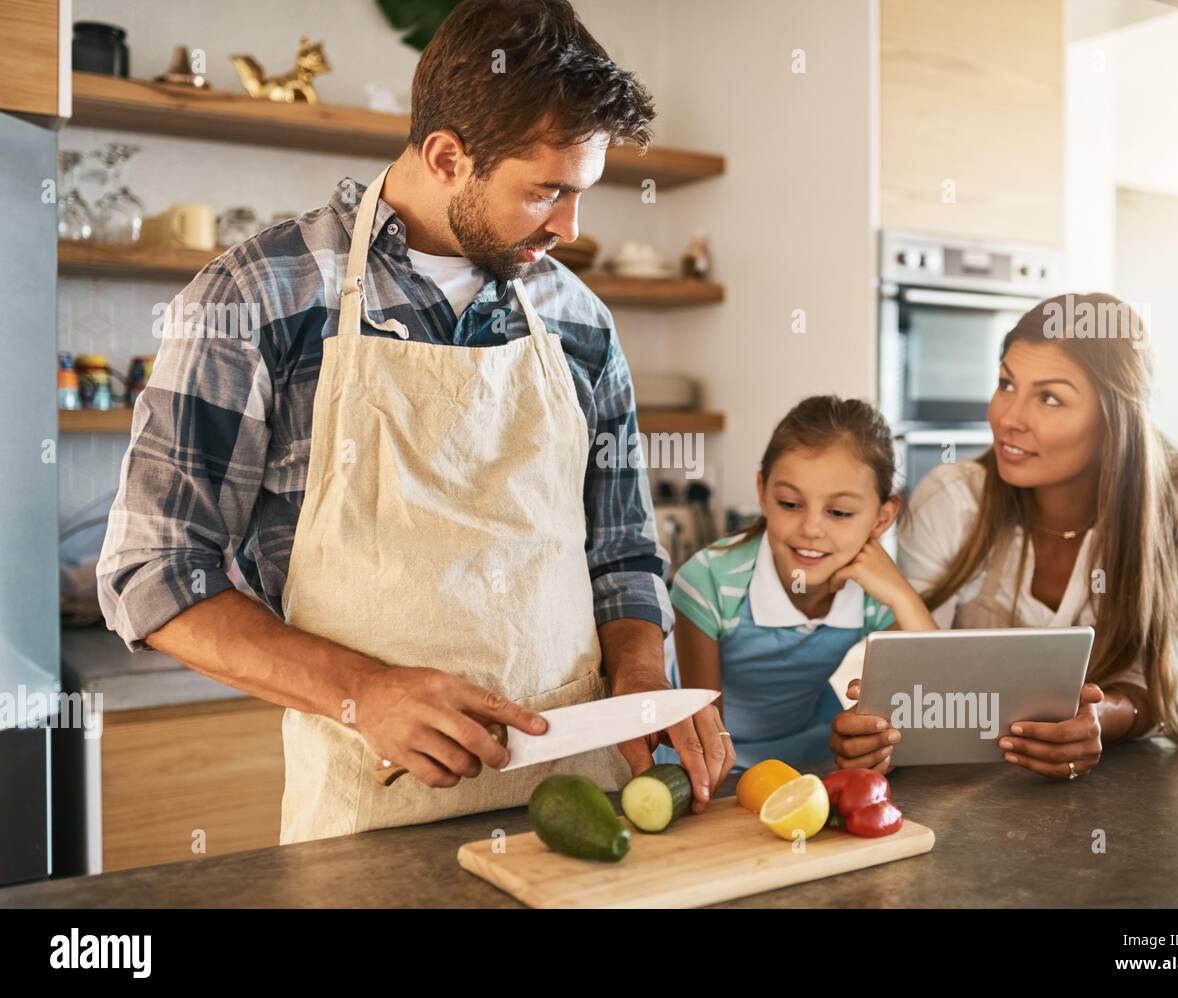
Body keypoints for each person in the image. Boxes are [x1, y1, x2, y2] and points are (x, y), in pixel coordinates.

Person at [97, 0, 728, 844]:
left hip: (582, 806)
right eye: (546, 191)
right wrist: (365, 691)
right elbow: (152, 569)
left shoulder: (580, 324)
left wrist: (644, 674)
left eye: (581, 193)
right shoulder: (260, 296)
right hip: (371, 810)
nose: (572, 229)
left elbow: (621, 553)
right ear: (446, 156)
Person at [830, 293, 1178, 780]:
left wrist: (1101, 720)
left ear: (1115, 418)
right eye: (1006, 383)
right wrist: (873, 732)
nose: (1007, 418)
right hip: (962, 791)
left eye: (1049, 397)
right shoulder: (953, 498)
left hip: (1122, 790)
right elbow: (909, 679)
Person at [659, 396, 937, 775]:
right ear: (763, 492)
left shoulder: (873, 589)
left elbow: (939, 694)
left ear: (882, 517)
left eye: (839, 512)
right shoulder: (708, 580)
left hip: (809, 743)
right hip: (711, 746)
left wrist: (901, 594)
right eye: (790, 503)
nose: (810, 529)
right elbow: (706, 731)